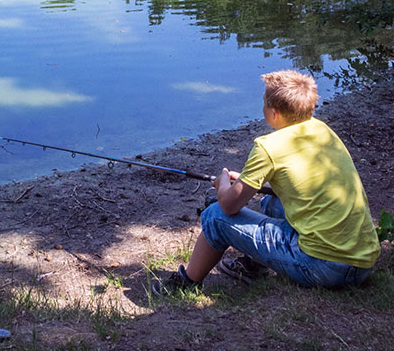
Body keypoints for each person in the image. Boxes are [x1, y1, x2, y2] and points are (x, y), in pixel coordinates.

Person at [155, 70, 379, 292]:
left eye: (264, 103)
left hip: (324, 268)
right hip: (362, 262)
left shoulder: (268, 146)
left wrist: (223, 182)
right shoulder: (323, 131)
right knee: (270, 203)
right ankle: (253, 266)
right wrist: (246, 181)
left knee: (215, 216)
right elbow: (298, 183)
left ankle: (185, 283)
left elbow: (229, 205)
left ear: (274, 113)